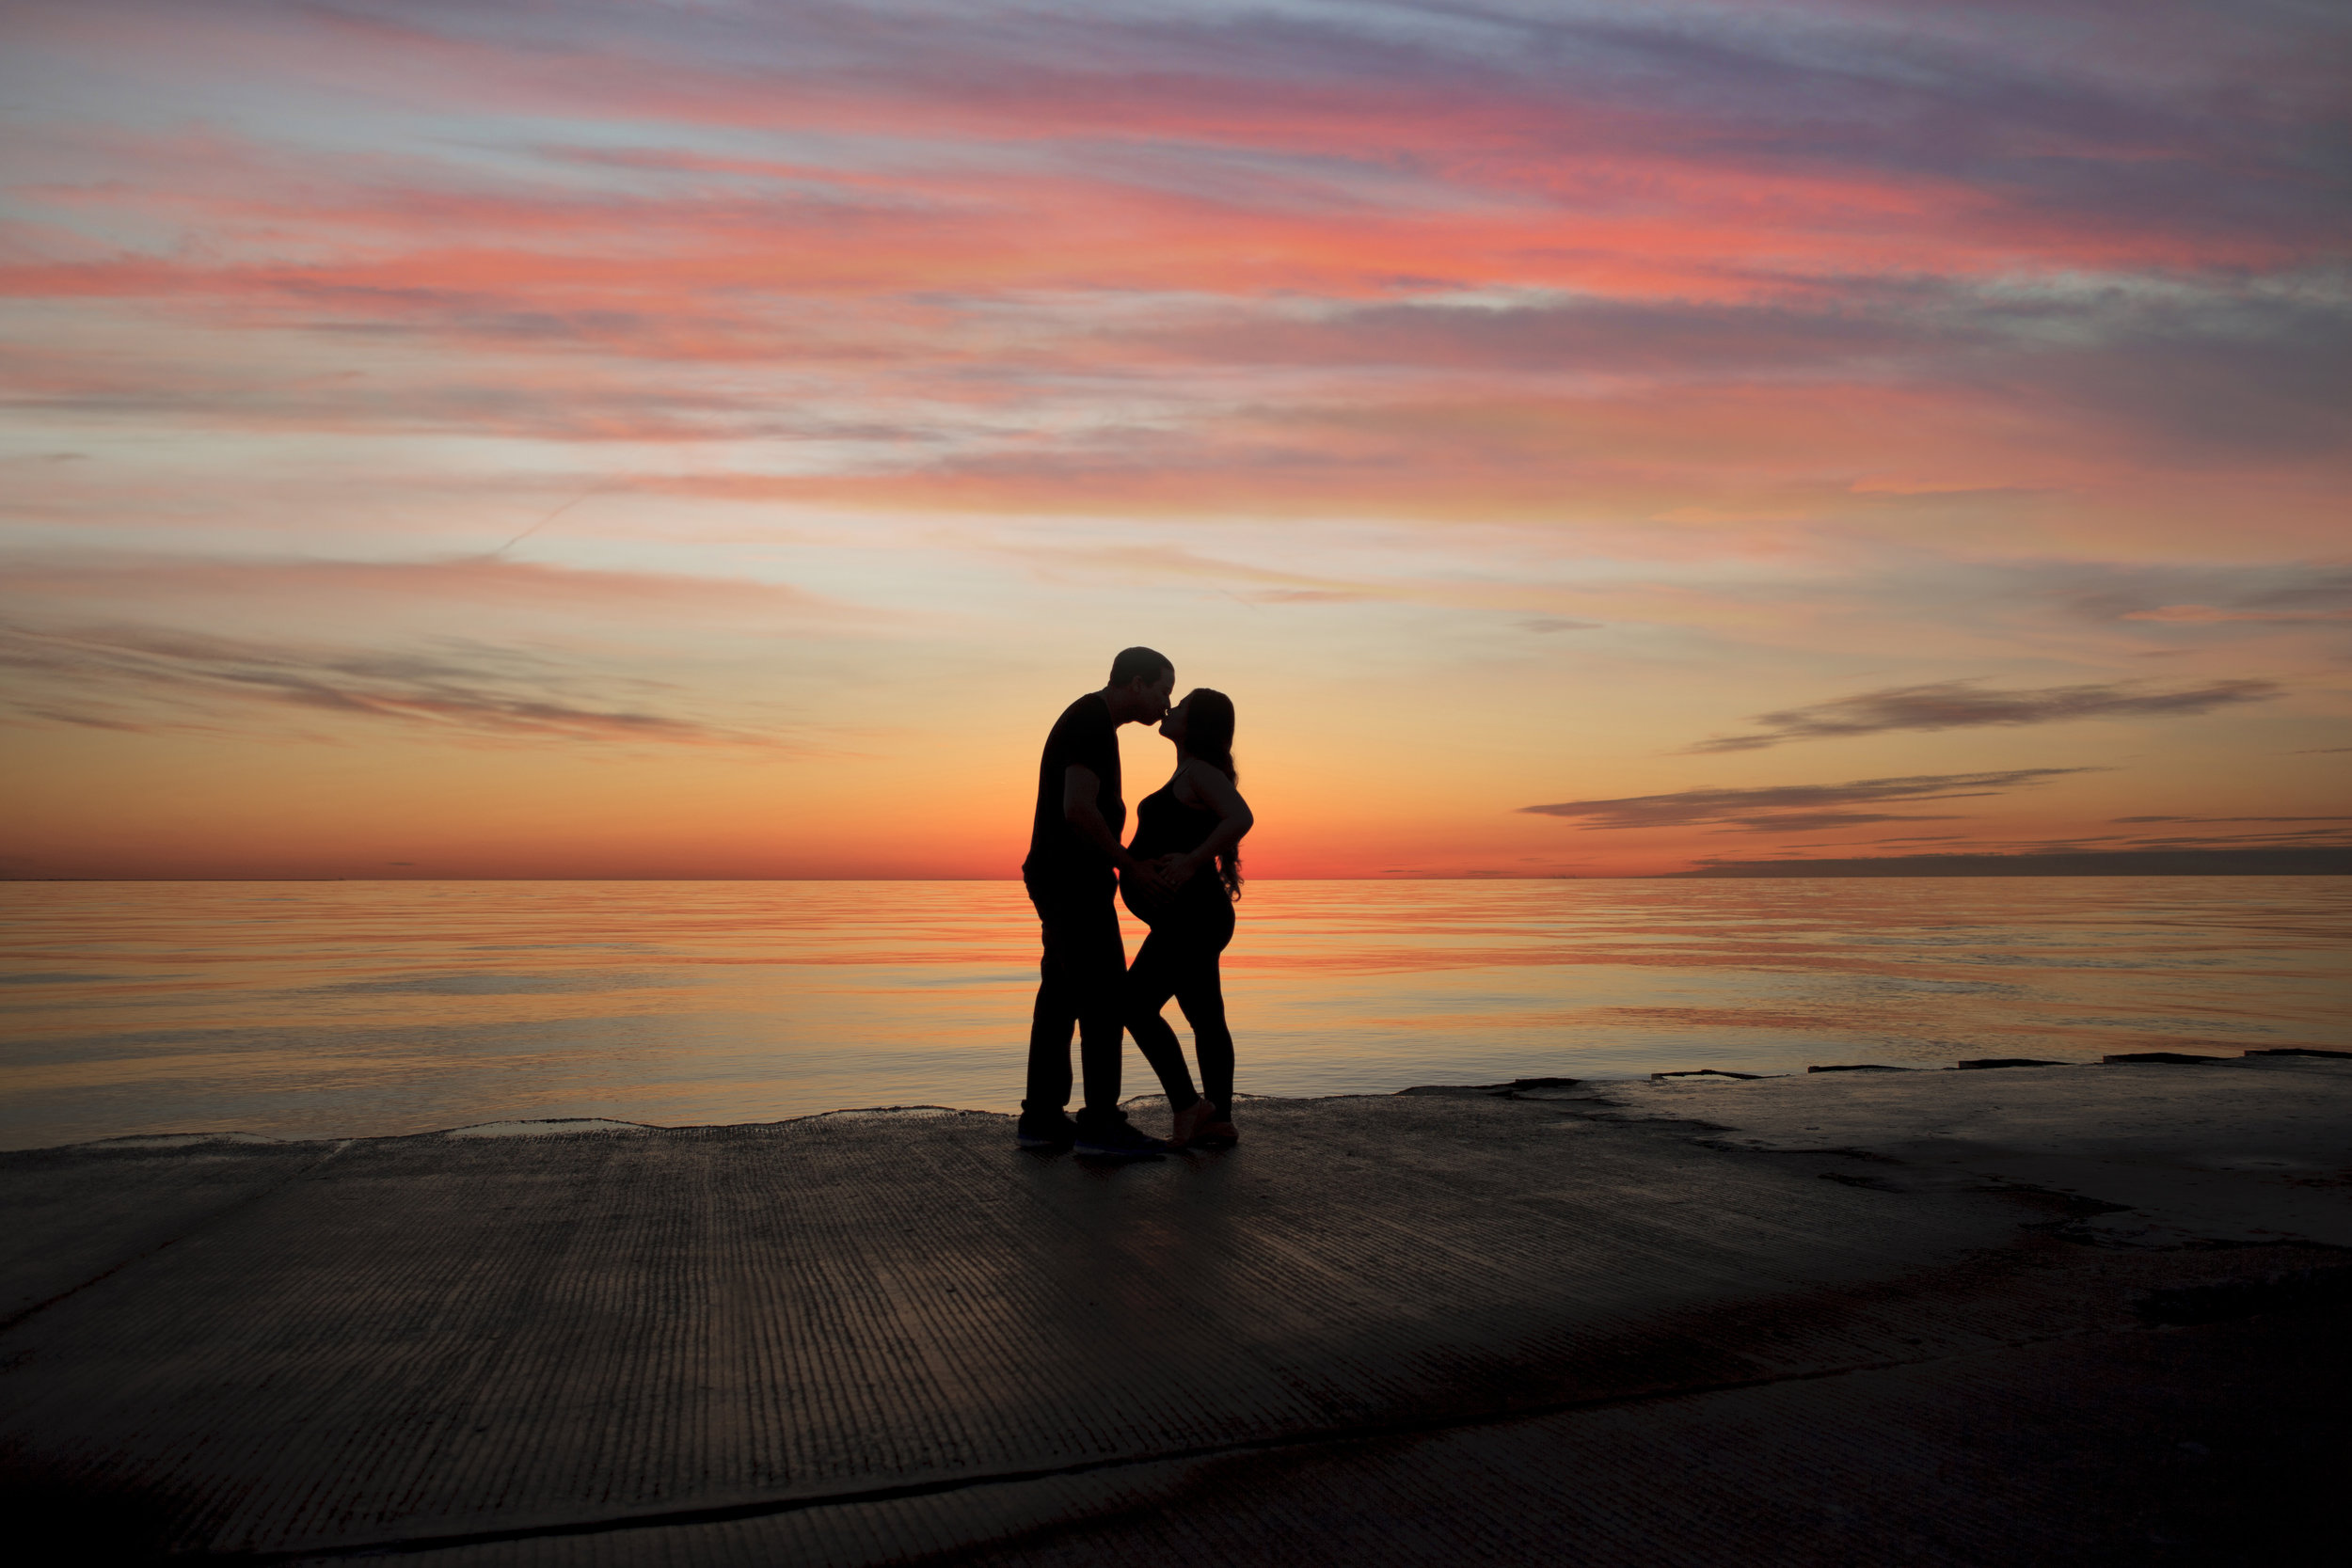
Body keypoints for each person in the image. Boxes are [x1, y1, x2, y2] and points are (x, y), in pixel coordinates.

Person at [1017, 647, 1178, 1159]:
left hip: (1060, 877)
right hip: (1072, 881)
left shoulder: (1092, 723)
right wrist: (1129, 864)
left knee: (1060, 997)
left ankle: (1042, 1120)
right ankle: (1100, 1126)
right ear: (1136, 683)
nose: (1166, 705)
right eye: (1162, 691)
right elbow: (1078, 811)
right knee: (1103, 999)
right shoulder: (1090, 721)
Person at [1120, 688, 1253, 1151]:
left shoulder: (1198, 771)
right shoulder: (1189, 771)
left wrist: (1192, 861)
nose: (1171, 708)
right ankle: (1217, 1120)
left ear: (1195, 726)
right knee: (1205, 1017)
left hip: (1193, 918)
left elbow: (1240, 816)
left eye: (1183, 707)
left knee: (1132, 1006)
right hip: (1191, 917)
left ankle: (1189, 1107)